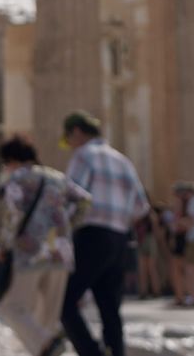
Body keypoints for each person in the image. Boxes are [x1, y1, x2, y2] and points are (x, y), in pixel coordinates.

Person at [58, 111, 150, 356]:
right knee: (110, 307)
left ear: (76, 132)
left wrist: (61, 229)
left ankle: (91, 353)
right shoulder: (123, 161)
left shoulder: (84, 156)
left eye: (68, 140)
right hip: (119, 238)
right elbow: (142, 206)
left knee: (64, 301)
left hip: (91, 235)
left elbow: (72, 196)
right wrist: (118, 218)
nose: (69, 146)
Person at [0, 135, 92, 356]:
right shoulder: (57, 177)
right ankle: (48, 343)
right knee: (47, 316)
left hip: (31, 250)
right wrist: (67, 226)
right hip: (60, 250)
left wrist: (3, 245)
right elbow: (85, 201)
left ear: (12, 159)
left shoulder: (18, 178)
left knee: (13, 307)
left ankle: (47, 344)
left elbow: (13, 214)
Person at [135, 206, 162, 300]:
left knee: (151, 267)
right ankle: (143, 291)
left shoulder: (151, 214)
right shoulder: (138, 212)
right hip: (141, 239)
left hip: (150, 239)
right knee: (142, 268)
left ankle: (156, 290)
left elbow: (156, 229)